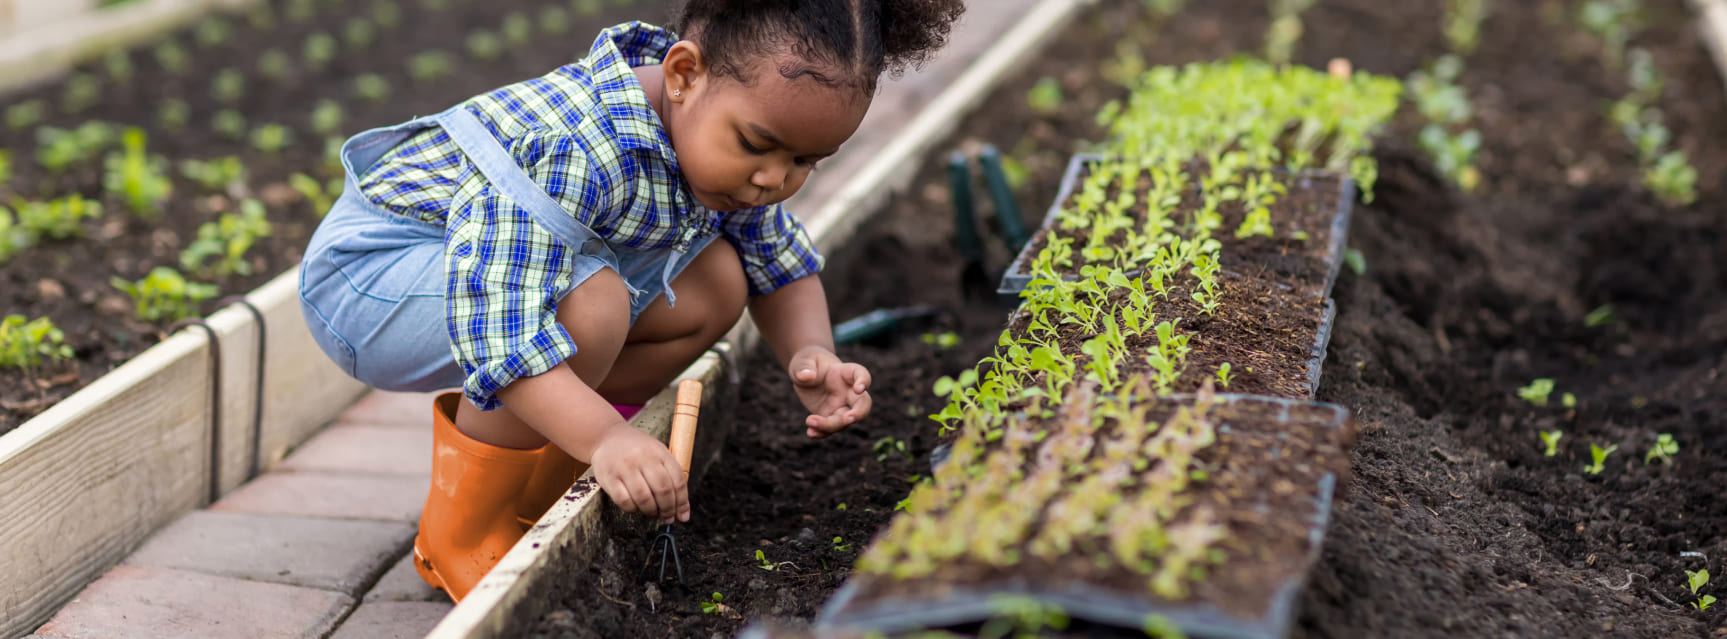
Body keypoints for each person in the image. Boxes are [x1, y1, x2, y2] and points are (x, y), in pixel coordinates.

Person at [297, 0, 965, 602]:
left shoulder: (722, 141)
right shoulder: (578, 145)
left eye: (806, 162)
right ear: (682, 74)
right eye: (758, 146)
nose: (772, 179)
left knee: (718, 282)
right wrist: (608, 437)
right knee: (591, 301)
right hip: (371, 282)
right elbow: (503, 325)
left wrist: (813, 352)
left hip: (482, 279)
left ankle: (538, 489)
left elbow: (777, 265)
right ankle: (462, 529)